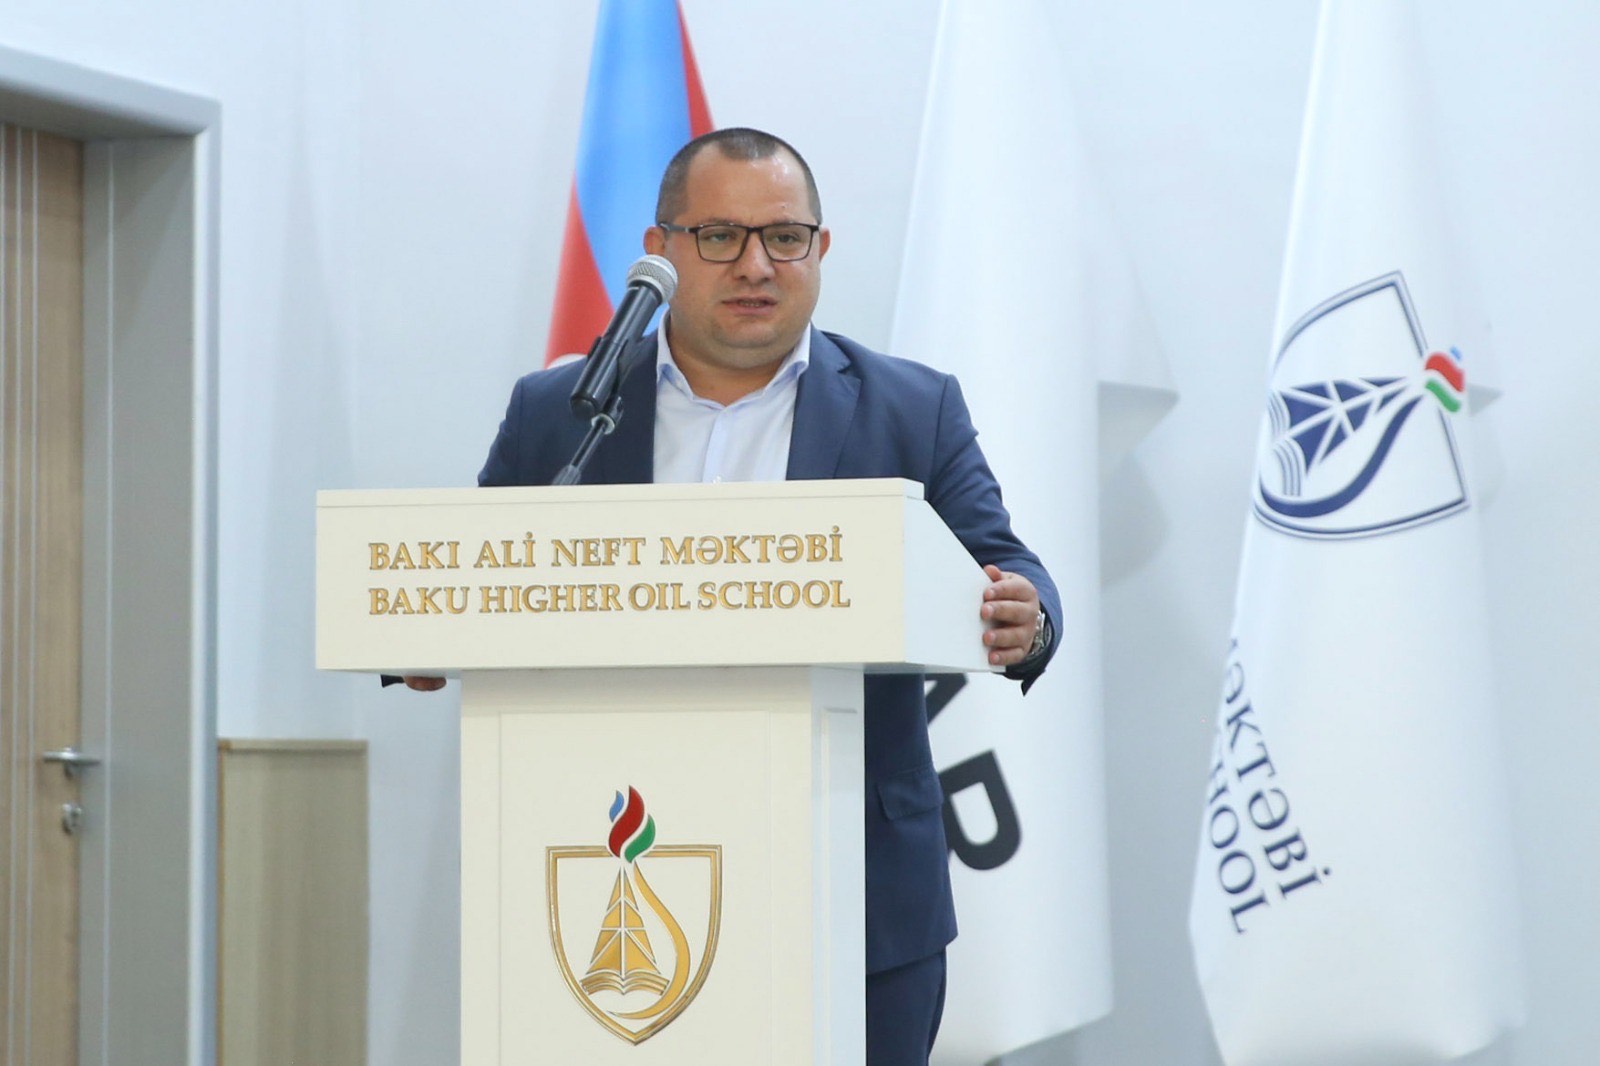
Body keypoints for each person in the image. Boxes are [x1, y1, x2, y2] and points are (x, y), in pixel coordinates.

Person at [410, 127, 1059, 1066]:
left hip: (858, 887)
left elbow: (1006, 567)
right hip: (615, 874)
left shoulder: (910, 408)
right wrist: (428, 639)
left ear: (821, 248)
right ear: (661, 249)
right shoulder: (561, 413)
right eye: (719, 237)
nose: (756, 265)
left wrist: (1027, 618)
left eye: (784, 237)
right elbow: (480, 578)